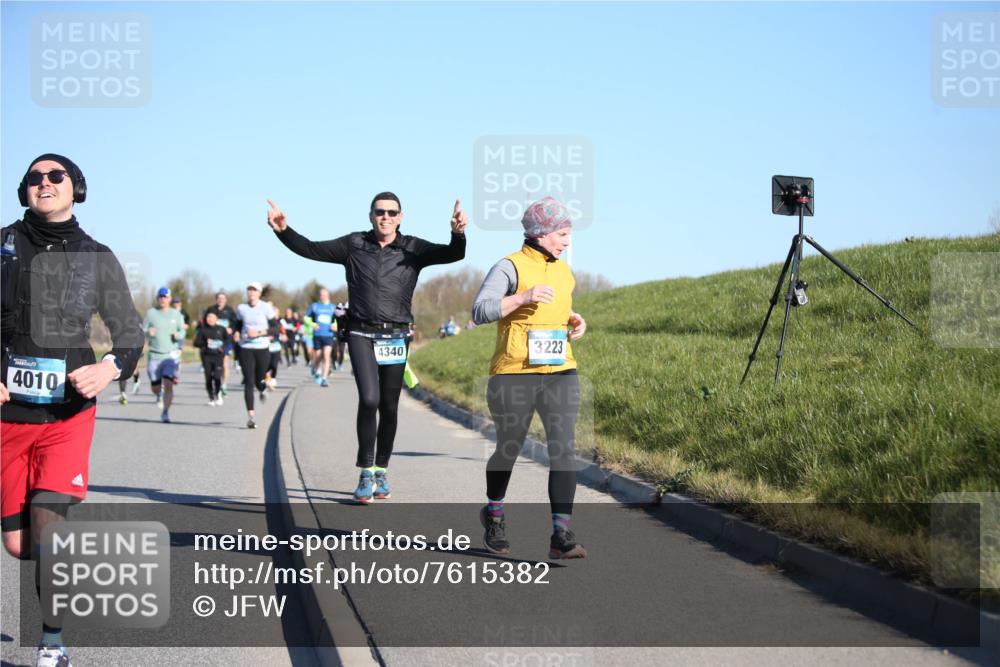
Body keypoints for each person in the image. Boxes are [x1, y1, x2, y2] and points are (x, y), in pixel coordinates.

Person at [1, 153, 144, 667]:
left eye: (55, 176)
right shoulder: (3, 246)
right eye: (35, 178)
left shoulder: (97, 256)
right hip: (7, 417)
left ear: (75, 187)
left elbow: (129, 332)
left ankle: (52, 643)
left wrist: (108, 368)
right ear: (25, 191)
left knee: (47, 525)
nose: (45, 183)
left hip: (67, 413)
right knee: (20, 546)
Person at [269, 192, 467, 503]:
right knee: (369, 399)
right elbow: (309, 248)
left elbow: (453, 255)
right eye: (380, 212)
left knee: (389, 406)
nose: (385, 217)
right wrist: (283, 230)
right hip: (360, 332)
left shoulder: (413, 248)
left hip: (396, 336)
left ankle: (381, 469)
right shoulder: (354, 244)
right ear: (371, 215)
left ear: (400, 217)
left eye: (392, 212)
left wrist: (457, 233)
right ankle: (364, 471)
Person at [471, 196, 588, 560]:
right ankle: (494, 513)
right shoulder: (509, 267)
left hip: (560, 370)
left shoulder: (564, 271)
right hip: (514, 372)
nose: (567, 240)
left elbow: (556, 307)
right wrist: (522, 296)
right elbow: (479, 310)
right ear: (541, 233)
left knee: (563, 448)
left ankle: (561, 533)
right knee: (510, 446)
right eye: (562, 233)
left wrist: (573, 319)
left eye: (568, 233)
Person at [233, 281, 273, 429]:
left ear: (259, 293)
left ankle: (262, 388)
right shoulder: (241, 308)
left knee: (259, 379)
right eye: (249, 290)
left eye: (254, 290)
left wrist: (259, 333)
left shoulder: (265, 307)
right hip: (246, 347)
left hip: (262, 346)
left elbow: (274, 328)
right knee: (248, 381)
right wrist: (237, 332)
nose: (251, 292)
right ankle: (251, 416)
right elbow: (237, 324)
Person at [143, 287, 185, 423]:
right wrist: (148, 332)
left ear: (170, 299)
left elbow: (182, 331)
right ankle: (158, 393)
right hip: (154, 355)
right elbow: (142, 330)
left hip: (169, 356)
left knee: (168, 384)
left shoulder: (176, 314)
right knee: (155, 387)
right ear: (157, 299)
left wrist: (178, 335)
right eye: (161, 297)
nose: (163, 299)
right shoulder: (151, 313)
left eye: (165, 297)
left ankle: (165, 412)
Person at [203, 291, 237, 397]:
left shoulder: (230, 311)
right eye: (219, 298)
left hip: (225, 340)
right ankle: (216, 381)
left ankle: (224, 384)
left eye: (223, 298)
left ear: (226, 300)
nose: (221, 300)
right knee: (214, 366)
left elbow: (235, 324)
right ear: (216, 299)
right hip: (213, 342)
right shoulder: (211, 310)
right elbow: (204, 323)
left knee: (225, 363)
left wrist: (231, 329)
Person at [193, 311, 229, 405]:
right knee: (208, 377)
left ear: (216, 319)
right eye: (208, 317)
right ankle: (211, 397)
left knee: (217, 376)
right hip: (206, 356)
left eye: (212, 317)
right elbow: (196, 343)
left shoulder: (221, 329)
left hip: (218, 356)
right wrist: (205, 343)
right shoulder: (203, 330)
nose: (210, 319)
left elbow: (228, 340)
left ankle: (218, 393)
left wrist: (224, 348)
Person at [305, 288, 337, 386]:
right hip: (317, 335)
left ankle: (324, 378)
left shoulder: (333, 307)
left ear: (328, 296)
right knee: (318, 357)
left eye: (324, 295)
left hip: (328, 335)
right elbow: (306, 318)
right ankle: (316, 369)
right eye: (321, 295)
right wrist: (313, 324)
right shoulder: (315, 306)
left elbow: (338, 320)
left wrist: (335, 326)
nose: (322, 296)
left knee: (326, 357)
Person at [334, 302, 349, 371]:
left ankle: (340, 364)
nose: (339, 310)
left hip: (342, 334)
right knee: (335, 350)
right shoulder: (334, 314)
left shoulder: (346, 314)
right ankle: (334, 362)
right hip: (334, 334)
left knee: (341, 351)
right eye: (338, 308)